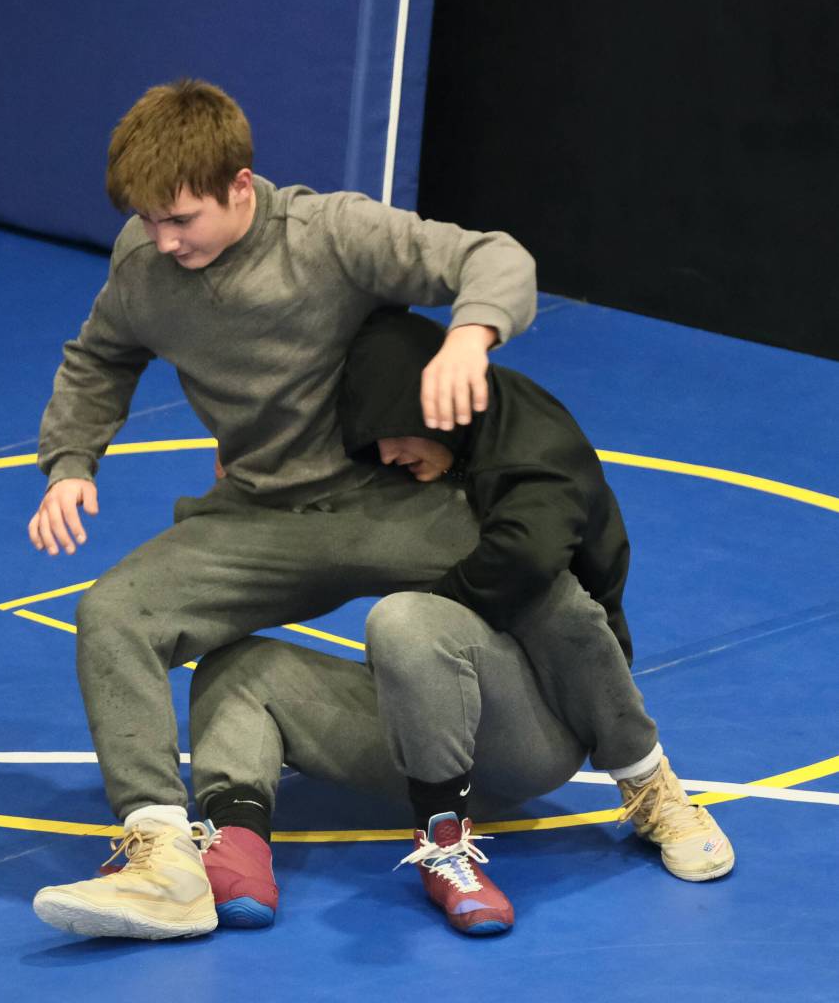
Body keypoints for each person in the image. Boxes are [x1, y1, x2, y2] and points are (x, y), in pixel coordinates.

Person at [27, 76, 552, 940]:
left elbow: (493, 257)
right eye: (148, 220)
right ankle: (161, 858)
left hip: (389, 498)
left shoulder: (330, 233)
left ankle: (648, 780)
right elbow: (99, 359)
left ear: (240, 186)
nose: (162, 241)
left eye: (181, 219)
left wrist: (470, 334)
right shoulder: (144, 260)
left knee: (540, 577)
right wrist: (70, 464)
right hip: (256, 512)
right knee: (113, 614)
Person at [188, 310, 734, 936]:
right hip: (424, 726)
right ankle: (239, 844)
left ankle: (645, 787)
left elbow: (525, 558)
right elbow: (326, 463)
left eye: (391, 432)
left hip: (534, 729)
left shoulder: (532, 445)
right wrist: (258, 465)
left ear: (428, 408)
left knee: (467, 606)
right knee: (239, 668)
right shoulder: (422, 445)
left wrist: (426, 621)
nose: (386, 453)